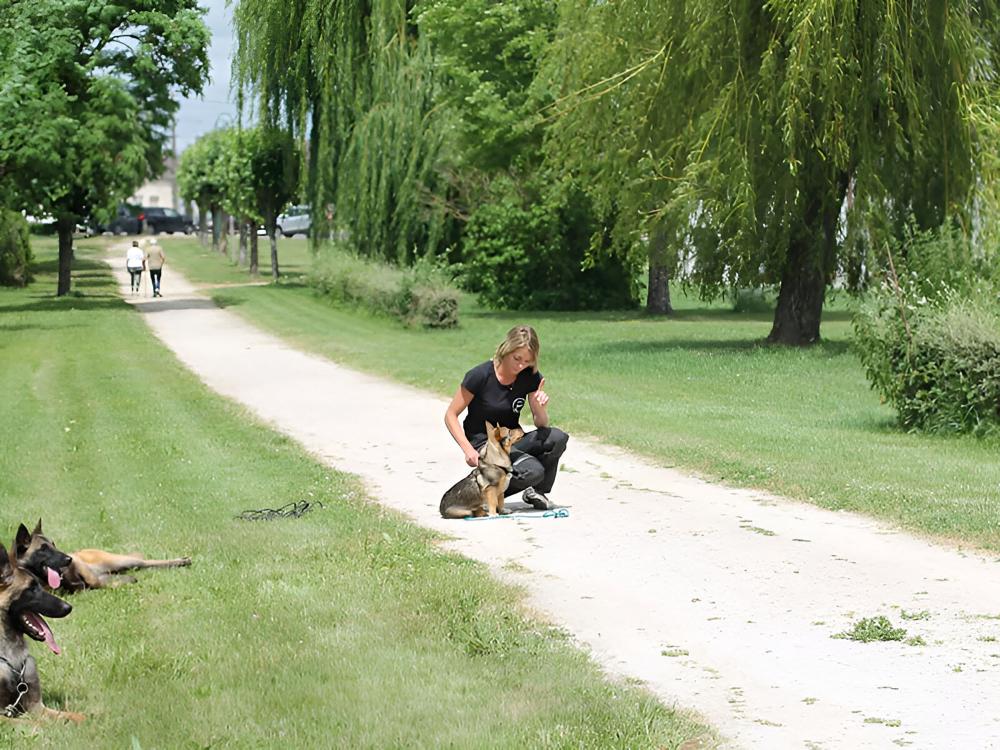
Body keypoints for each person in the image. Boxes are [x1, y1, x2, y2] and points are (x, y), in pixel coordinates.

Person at [444, 324, 569, 511]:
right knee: (533, 470)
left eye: (527, 361)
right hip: (485, 445)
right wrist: (469, 450)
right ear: (506, 349)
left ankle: (537, 492)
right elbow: (450, 415)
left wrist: (540, 408)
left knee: (557, 437)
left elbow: (541, 424)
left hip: (510, 441)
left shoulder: (529, 376)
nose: (520, 366)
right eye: (517, 358)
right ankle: (486, 494)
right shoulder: (480, 375)